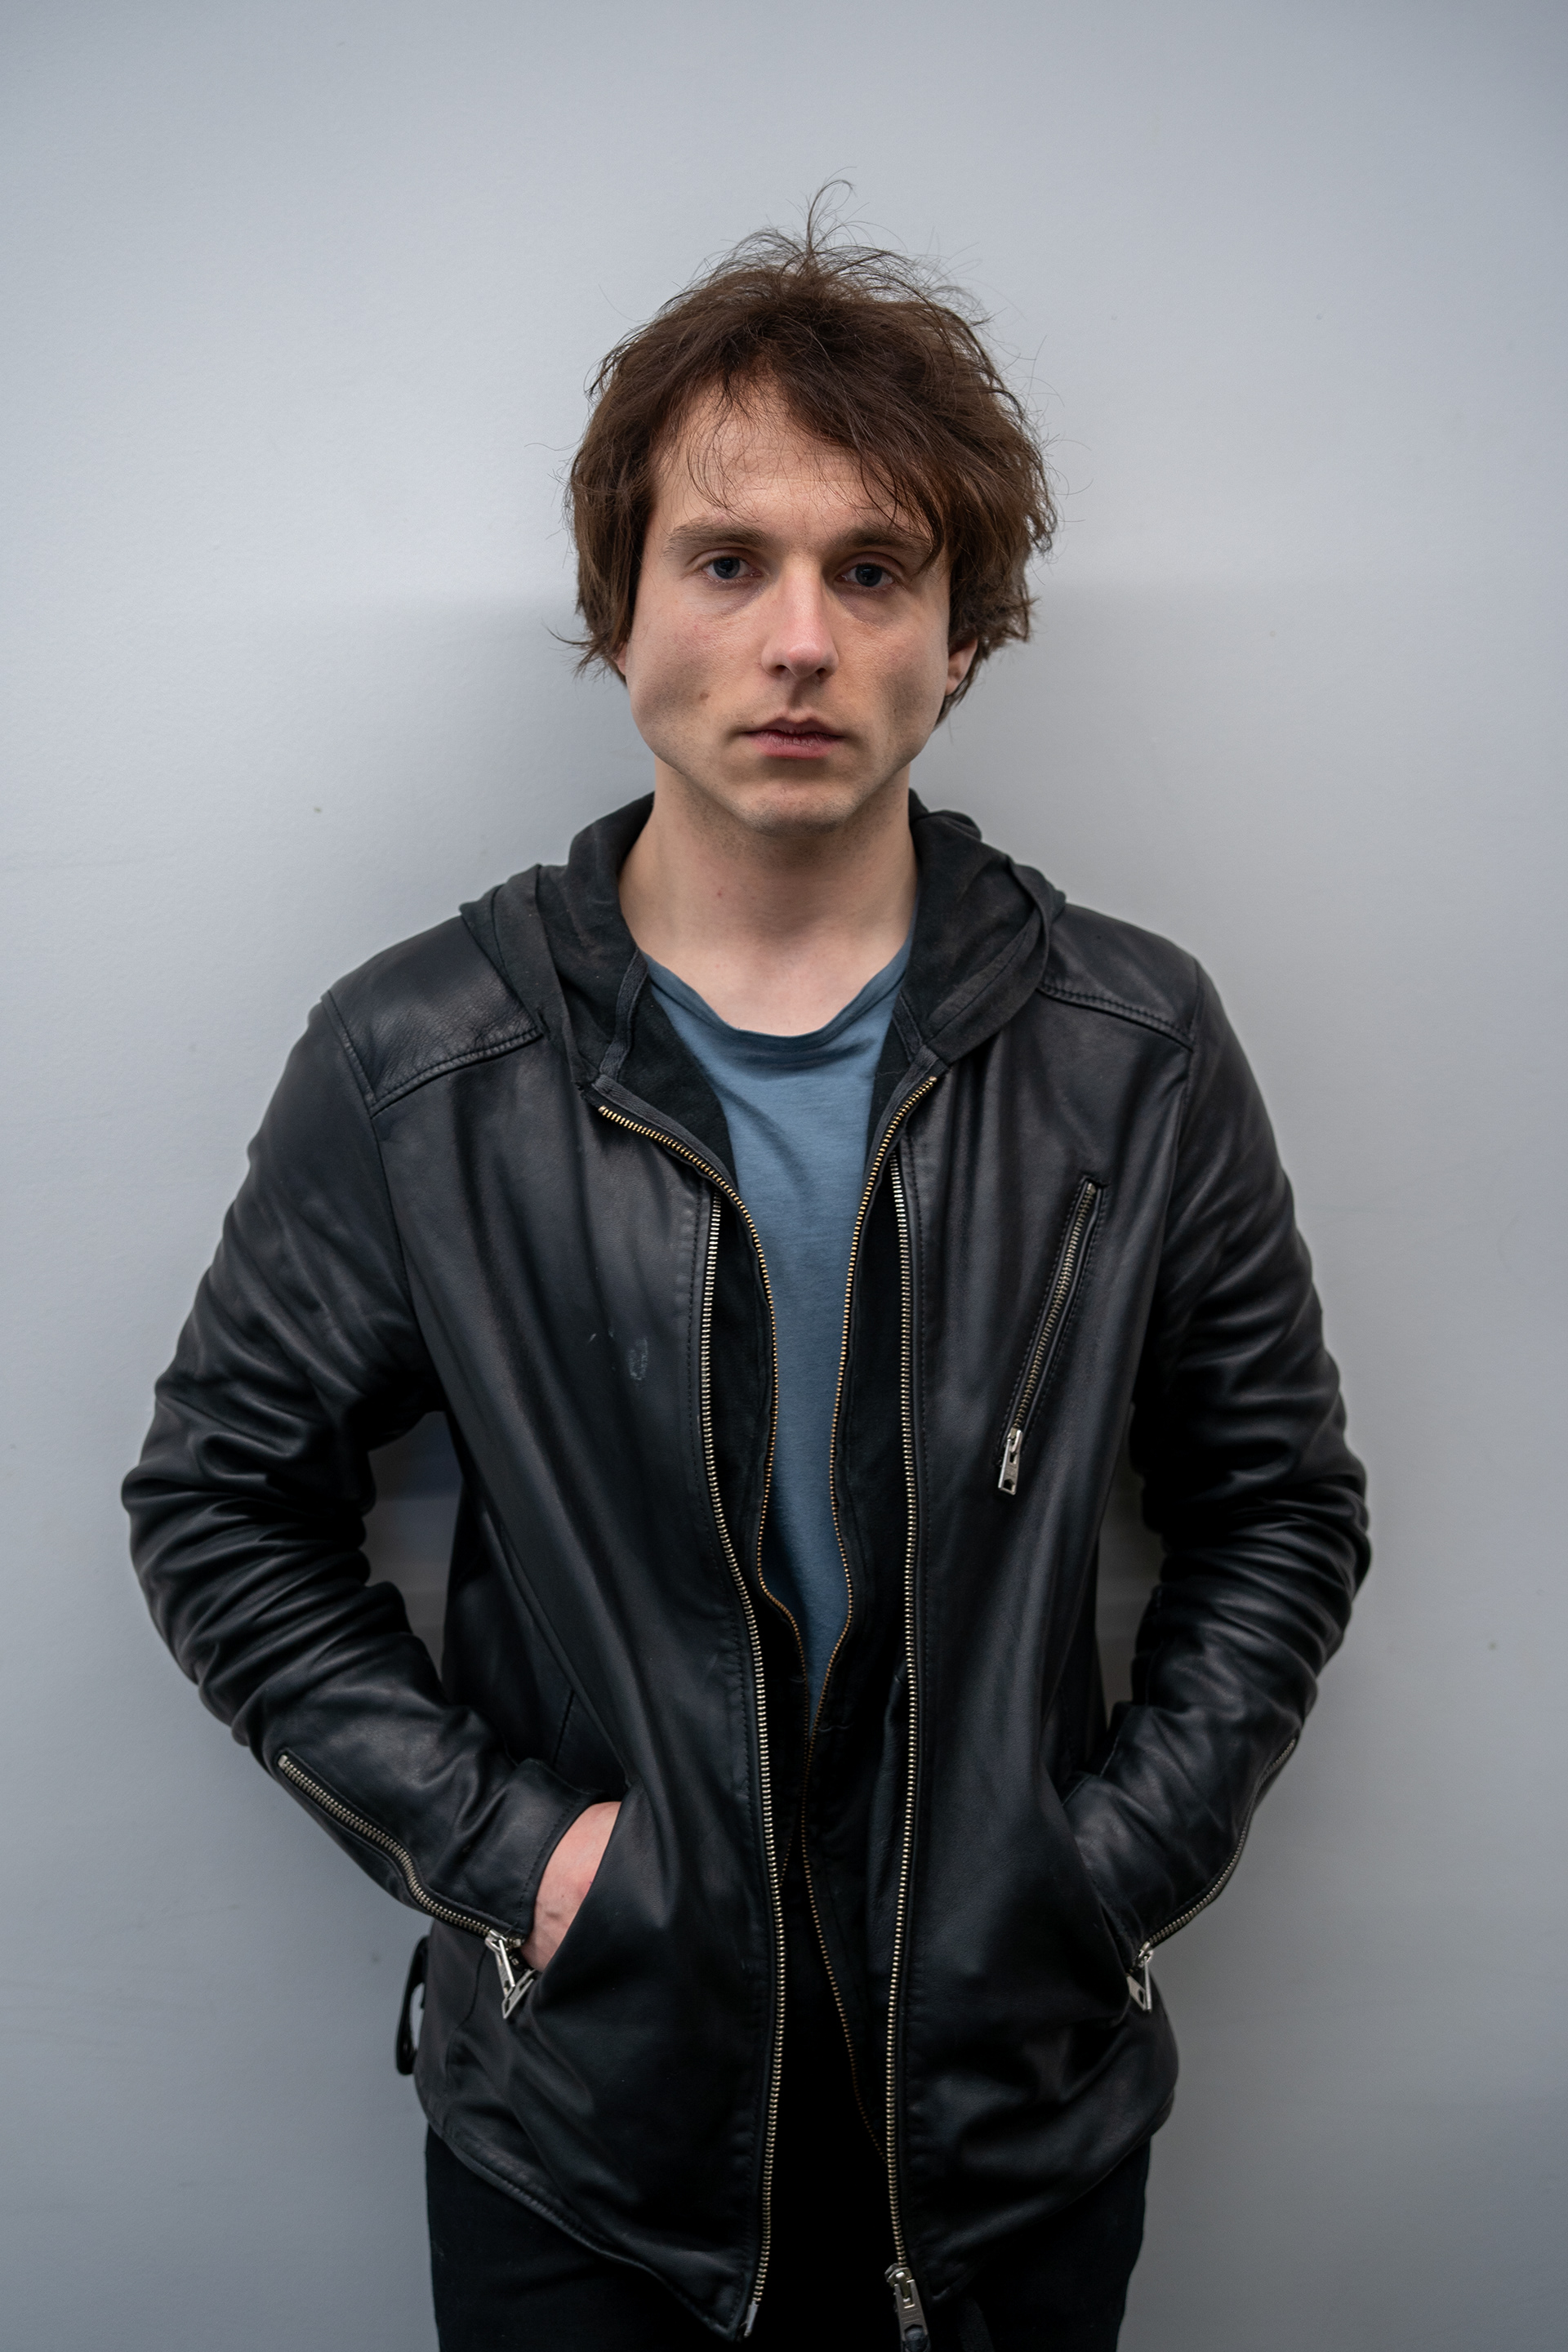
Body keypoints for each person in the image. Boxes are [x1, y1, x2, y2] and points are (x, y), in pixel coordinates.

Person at [125, 220, 1369, 2352]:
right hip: (586, 2138)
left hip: (1008, 2132)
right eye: (727, 562)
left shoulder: (1130, 1050)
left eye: (874, 570)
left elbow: (1276, 1506)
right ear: (619, 607)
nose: (799, 639)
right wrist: (517, 1860)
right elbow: (221, 1506)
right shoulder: (423, 1062)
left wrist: (1098, 1879)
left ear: (959, 638)